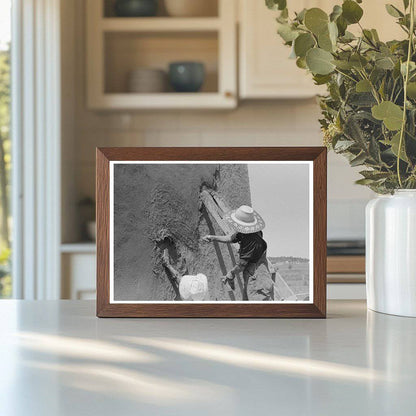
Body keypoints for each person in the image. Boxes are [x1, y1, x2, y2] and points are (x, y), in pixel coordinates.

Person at [202, 205, 274, 301]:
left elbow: (241, 265)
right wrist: (213, 238)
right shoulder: (246, 232)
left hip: (258, 281)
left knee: (258, 312)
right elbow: (230, 238)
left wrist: (231, 274)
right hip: (252, 277)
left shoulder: (252, 240)